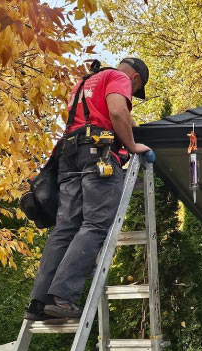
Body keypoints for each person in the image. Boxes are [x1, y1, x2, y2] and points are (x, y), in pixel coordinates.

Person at [24, 57, 153, 320]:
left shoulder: (85, 82)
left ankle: (39, 301)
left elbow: (92, 117)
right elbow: (117, 112)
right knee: (95, 224)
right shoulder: (118, 78)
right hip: (98, 157)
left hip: (70, 155)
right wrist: (132, 145)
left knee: (66, 228)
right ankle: (61, 297)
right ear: (136, 78)